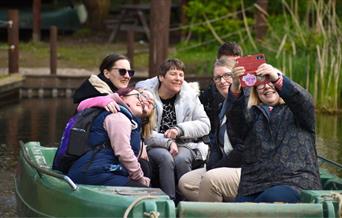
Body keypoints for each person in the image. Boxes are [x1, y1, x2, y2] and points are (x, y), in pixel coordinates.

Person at [225, 62, 321, 203]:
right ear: (256, 92)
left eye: (270, 81)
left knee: (269, 199)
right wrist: (235, 87)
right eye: (260, 84)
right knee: (239, 208)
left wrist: (277, 77)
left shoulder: (298, 111)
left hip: (295, 181)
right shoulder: (252, 114)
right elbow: (236, 123)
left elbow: (303, 99)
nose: (267, 86)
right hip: (253, 185)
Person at [135, 58, 211, 201]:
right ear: (161, 77)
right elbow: (143, 131)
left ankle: (187, 204)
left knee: (181, 159)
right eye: (173, 74)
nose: (178, 79)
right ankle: (168, 203)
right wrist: (167, 142)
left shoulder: (190, 96)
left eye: (181, 75)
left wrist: (179, 130)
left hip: (184, 143)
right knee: (165, 158)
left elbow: (205, 124)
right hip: (154, 143)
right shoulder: (146, 95)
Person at [178, 58, 242, 202]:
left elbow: (243, 149)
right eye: (217, 78)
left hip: (242, 166)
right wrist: (212, 164)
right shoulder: (221, 106)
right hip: (222, 163)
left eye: (227, 75)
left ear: (236, 76)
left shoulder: (245, 103)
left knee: (210, 180)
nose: (222, 81)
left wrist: (217, 168)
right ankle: (226, 209)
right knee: (185, 183)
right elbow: (215, 143)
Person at [67, 88, 155, 187]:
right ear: (122, 98)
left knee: (145, 166)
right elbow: (124, 153)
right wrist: (140, 179)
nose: (141, 101)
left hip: (99, 170)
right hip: (93, 173)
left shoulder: (129, 120)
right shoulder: (118, 117)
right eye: (137, 97)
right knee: (145, 190)